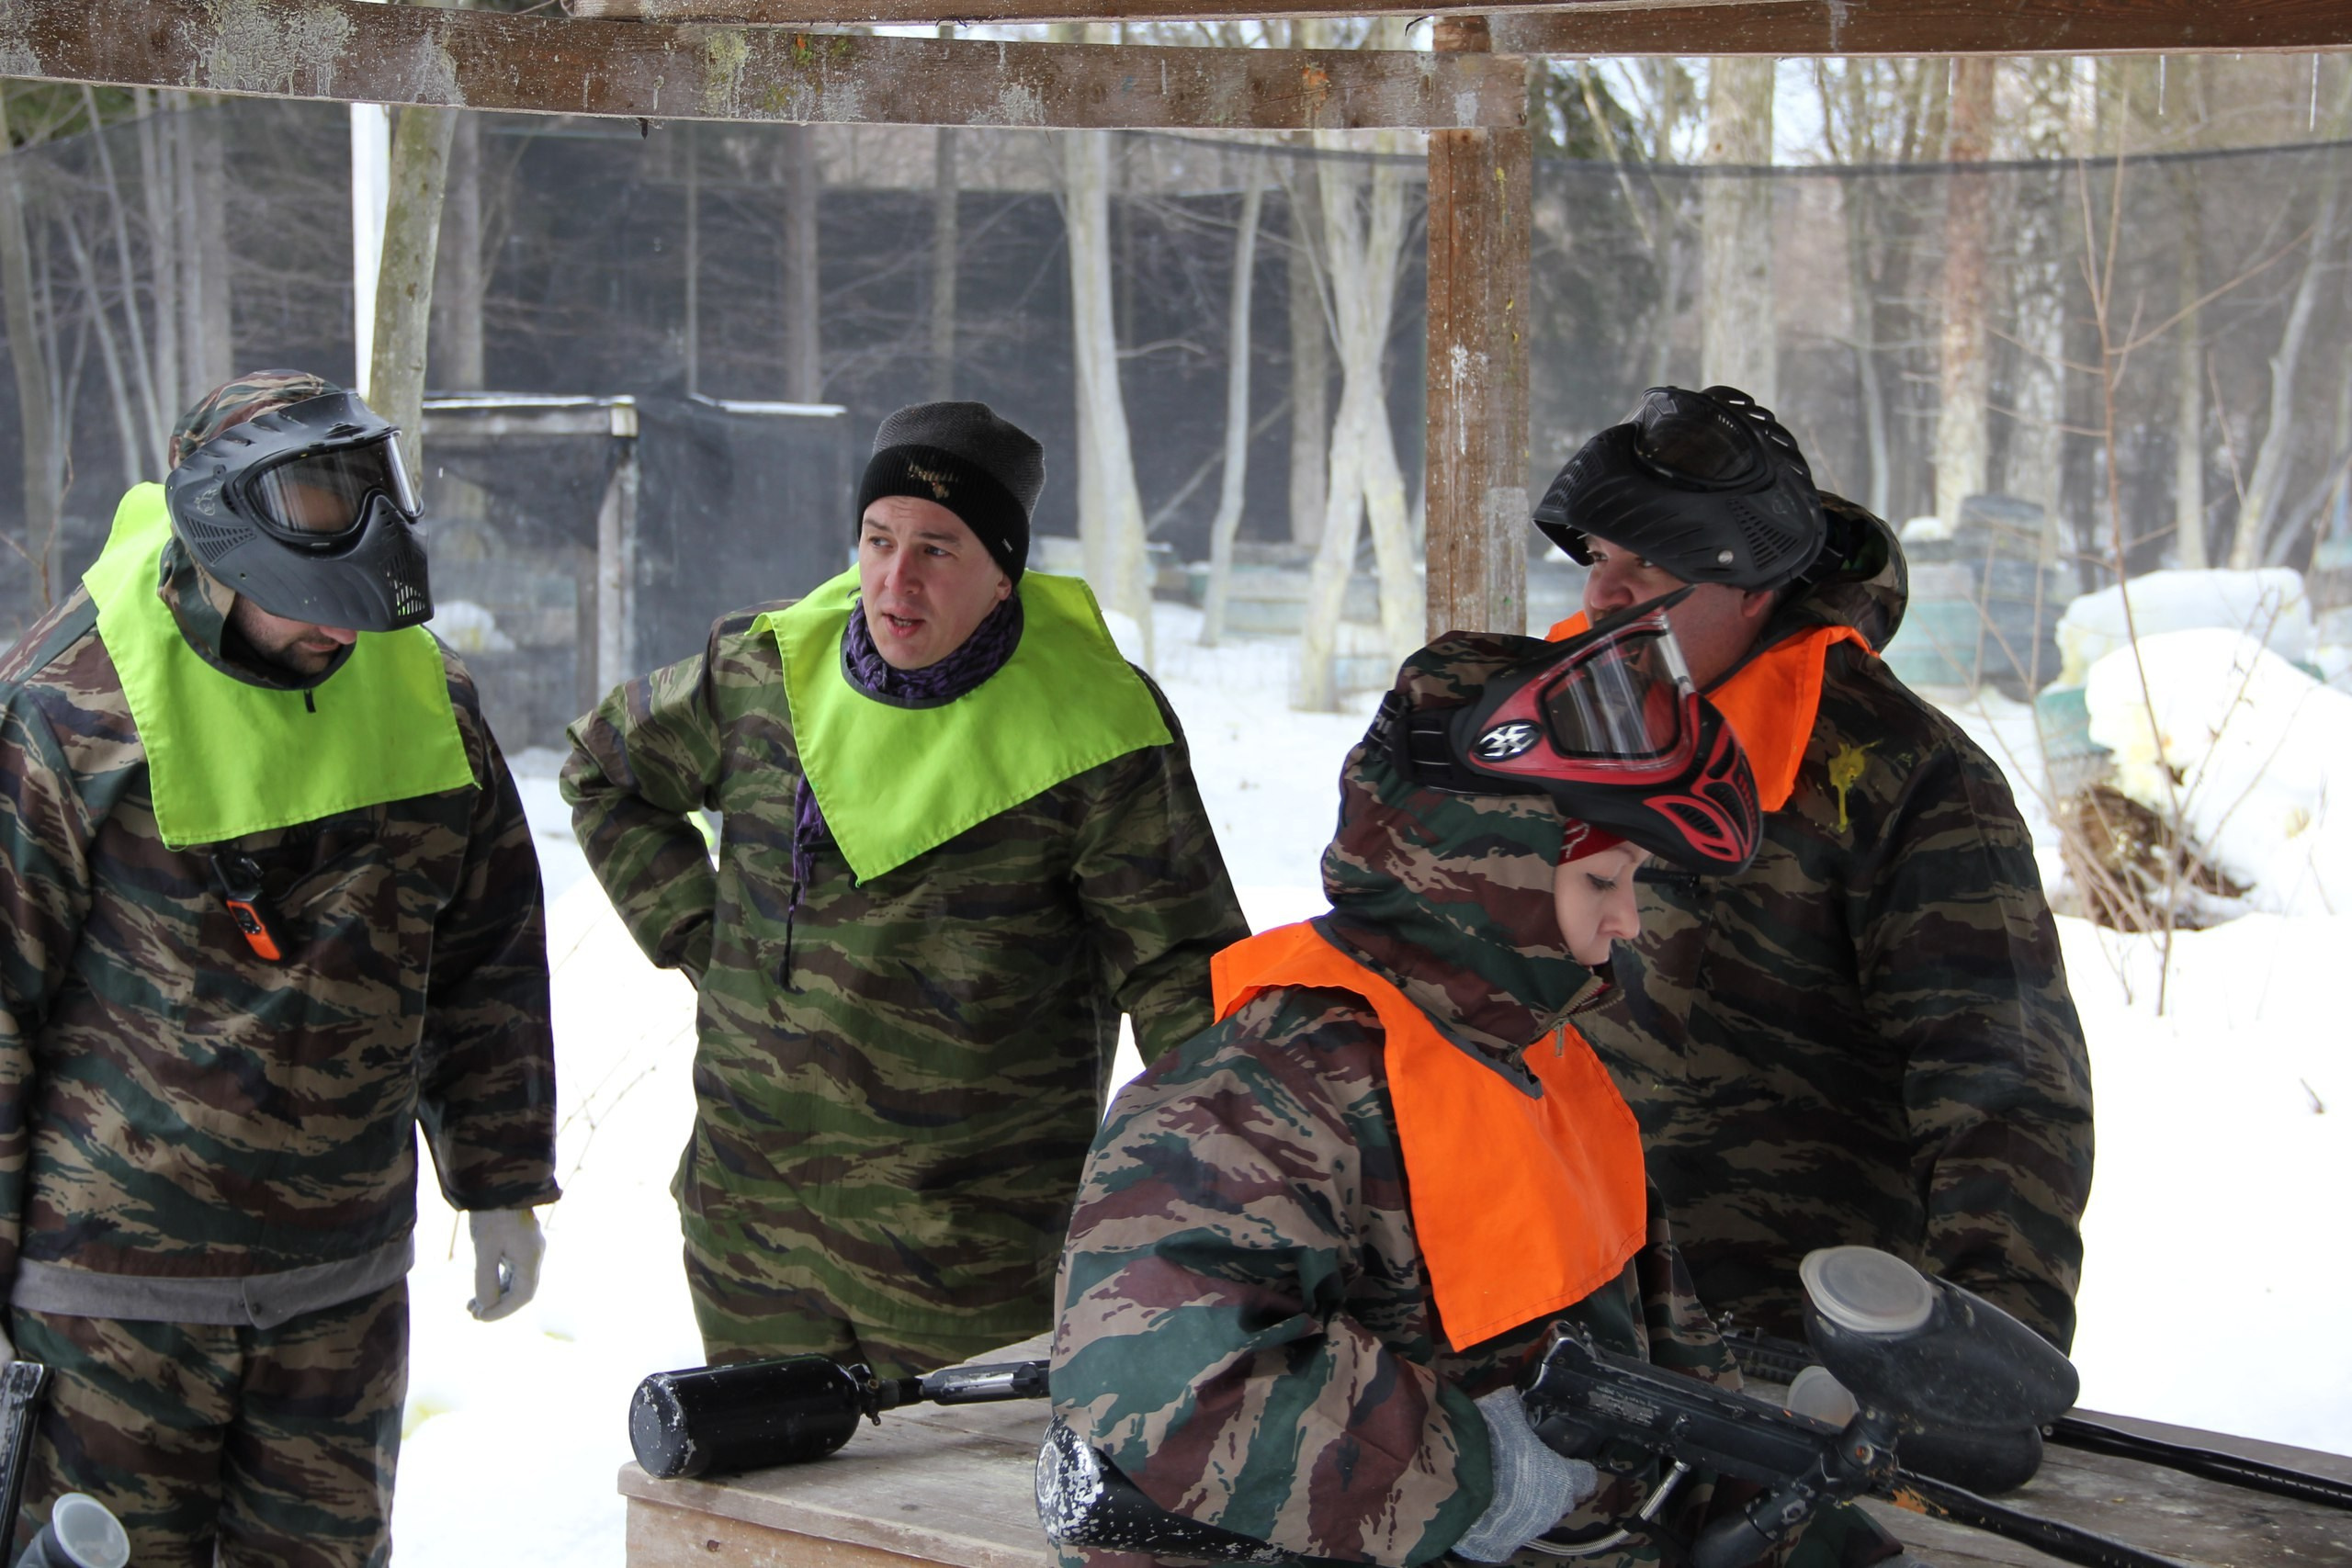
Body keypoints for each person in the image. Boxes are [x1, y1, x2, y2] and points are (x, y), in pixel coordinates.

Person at [1044, 611, 1900, 1568]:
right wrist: (1475, 1478)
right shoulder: (1247, 1099)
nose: (1628, 920)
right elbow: (1166, 1380)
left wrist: (1777, 1511)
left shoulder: (1542, 1061)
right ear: (1492, 875)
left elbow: (1661, 1359)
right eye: (1602, 881)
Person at [563, 400, 1249, 1378]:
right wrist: (704, 940)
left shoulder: (1097, 732)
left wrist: (1223, 1200)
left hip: (971, 1260)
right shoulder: (763, 674)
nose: (896, 578)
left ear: (1004, 572)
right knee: (776, 1477)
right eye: (879, 539)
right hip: (752, 1232)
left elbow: (1185, 979)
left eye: (938, 548)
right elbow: (604, 771)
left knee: (945, 1485)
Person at [0, 370, 560, 1566]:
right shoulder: (68, 711)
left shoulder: (428, 702)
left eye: (357, 608)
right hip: (109, 1307)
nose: (339, 634)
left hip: (337, 1299)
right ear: (215, 549)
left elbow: (486, 956)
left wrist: (499, 1176)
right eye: (309, 604)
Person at [1534, 384, 2095, 1350]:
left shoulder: (1904, 777)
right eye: (1597, 557)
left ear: (1755, 584)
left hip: (1792, 1349)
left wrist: (1985, 1357)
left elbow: (2002, 1089)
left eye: (1648, 563)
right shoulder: (1537, 729)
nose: (1601, 595)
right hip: (1545, 1316)